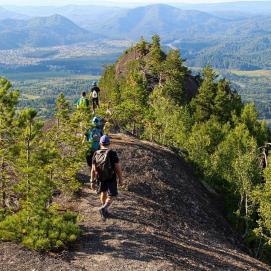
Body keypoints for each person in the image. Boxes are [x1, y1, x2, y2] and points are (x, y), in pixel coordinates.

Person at [91, 135, 123, 221]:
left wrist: (92, 181)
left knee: (103, 192)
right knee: (112, 195)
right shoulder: (112, 153)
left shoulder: (96, 153)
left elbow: (93, 169)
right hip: (111, 177)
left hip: (100, 177)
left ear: (100, 143)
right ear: (109, 143)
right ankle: (104, 208)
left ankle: (104, 209)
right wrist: (120, 179)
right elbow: (117, 168)